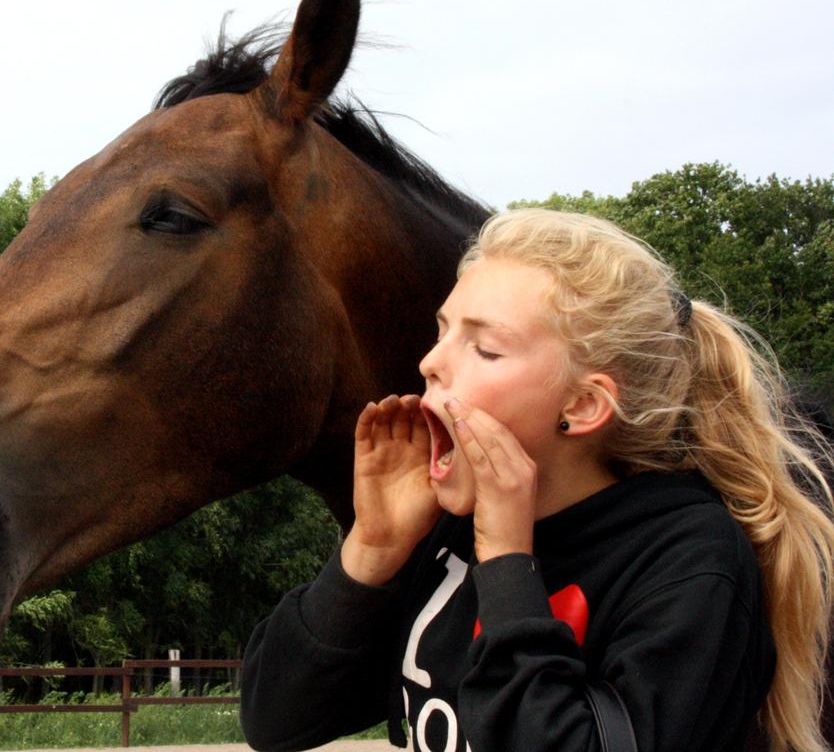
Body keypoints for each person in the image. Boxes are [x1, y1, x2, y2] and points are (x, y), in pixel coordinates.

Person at [240, 208, 834, 752]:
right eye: (443, 330)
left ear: (581, 405)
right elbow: (277, 720)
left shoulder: (688, 558)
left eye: (486, 349)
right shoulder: (443, 536)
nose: (431, 362)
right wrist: (370, 550)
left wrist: (505, 562)